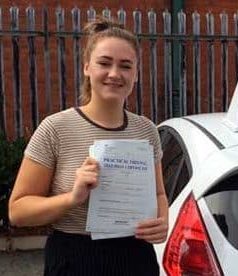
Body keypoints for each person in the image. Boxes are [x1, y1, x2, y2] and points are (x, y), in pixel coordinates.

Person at [8, 17, 168, 276]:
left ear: (136, 74)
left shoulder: (146, 130)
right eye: (104, 63)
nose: (115, 74)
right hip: (75, 257)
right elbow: (18, 211)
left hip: (136, 256)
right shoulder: (56, 128)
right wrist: (72, 198)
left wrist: (162, 221)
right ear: (86, 67)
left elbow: (159, 194)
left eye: (125, 66)